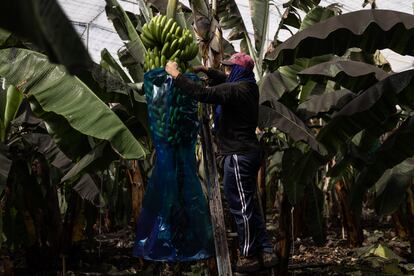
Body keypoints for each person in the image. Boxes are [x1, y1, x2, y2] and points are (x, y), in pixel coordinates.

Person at [165, 52, 278, 273]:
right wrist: (206, 70)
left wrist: (176, 74)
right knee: (251, 205)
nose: (226, 71)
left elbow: (202, 93)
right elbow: (225, 80)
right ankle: (265, 249)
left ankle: (248, 255)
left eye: (229, 68)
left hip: (238, 155)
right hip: (248, 152)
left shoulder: (235, 91)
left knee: (241, 207)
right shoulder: (249, 86)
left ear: (237, 71)